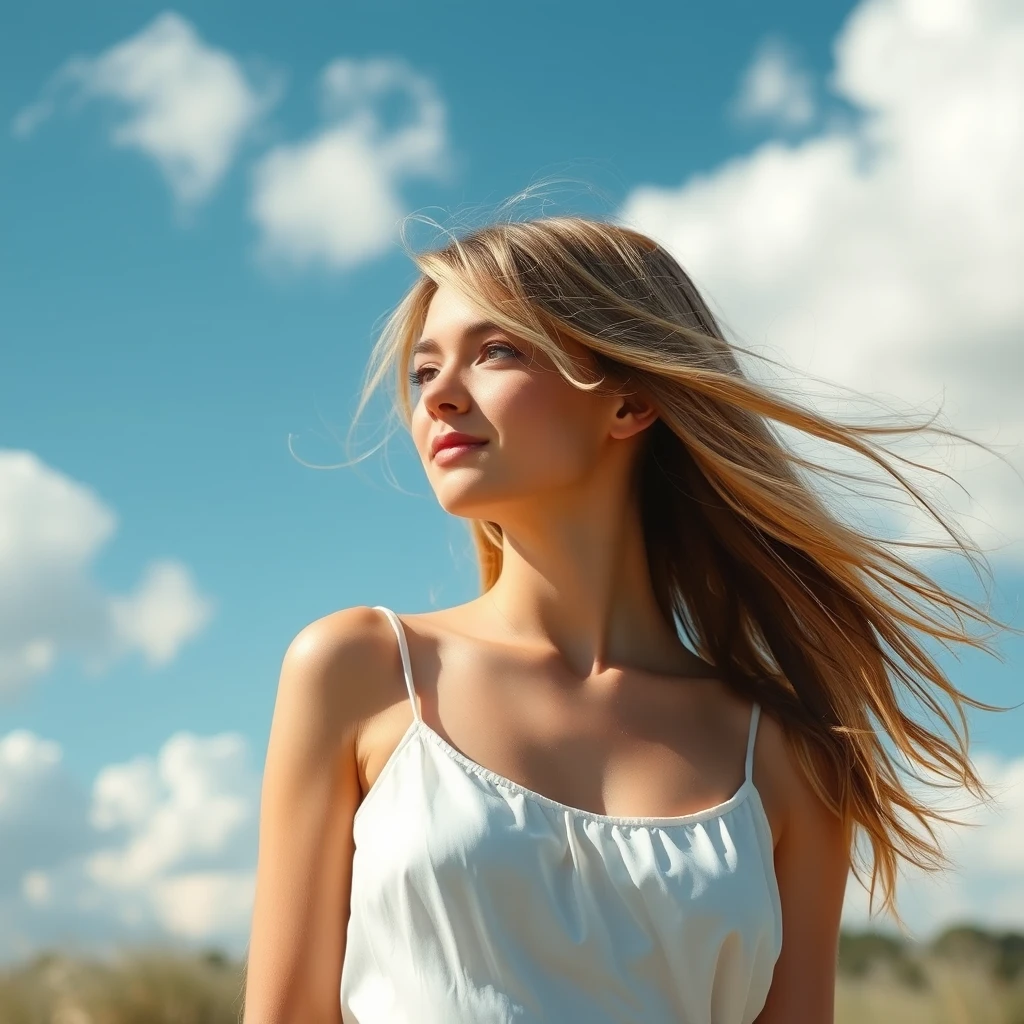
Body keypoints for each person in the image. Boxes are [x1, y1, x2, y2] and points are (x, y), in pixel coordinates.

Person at [241, 214, 1012, 1023]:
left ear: (631, 401)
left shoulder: (787, 755)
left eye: (496, 350)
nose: (439, 393)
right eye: (425, 368)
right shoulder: (361, 672)